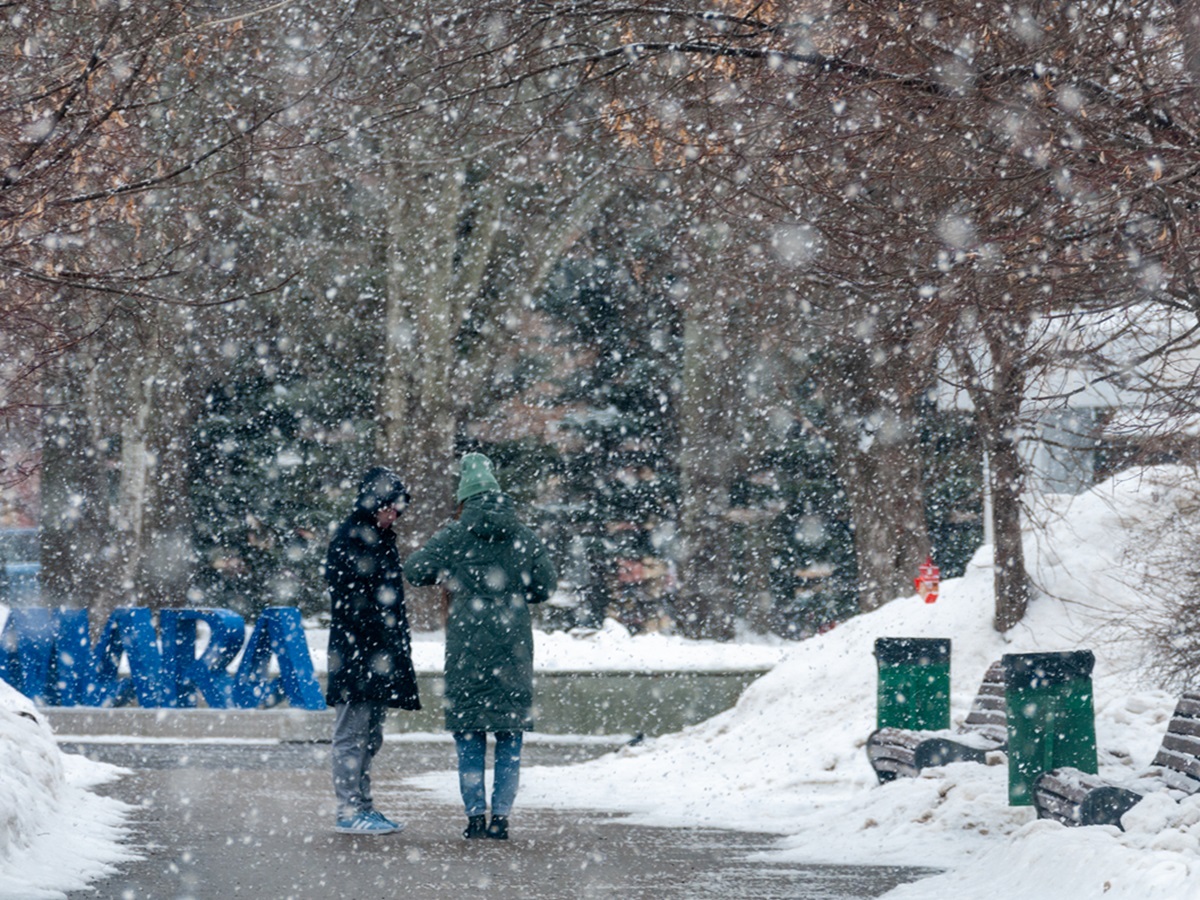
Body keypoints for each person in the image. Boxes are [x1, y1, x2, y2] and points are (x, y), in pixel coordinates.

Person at [405, 453, 557, 841]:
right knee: (510, 736)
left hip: (466, 650)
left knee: (469, 733)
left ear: (464, 499)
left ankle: (474, 818)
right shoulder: (523, 535)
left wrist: (450, 570)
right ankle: (501, 819)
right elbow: (544, 587)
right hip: (513, 650)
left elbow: (415, 570)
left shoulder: (453, 535)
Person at [325, 466, 421, 835]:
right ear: (374, 503)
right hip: (357, 652)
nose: (394, 515)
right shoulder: (352, 537)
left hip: (376, 652)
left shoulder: (380, 539)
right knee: (352, 733)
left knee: (370, 735)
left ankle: (363, 805)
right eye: (389, 507)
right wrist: (375, 631)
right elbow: (349, 597)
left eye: (399, 509)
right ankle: (349, 809)